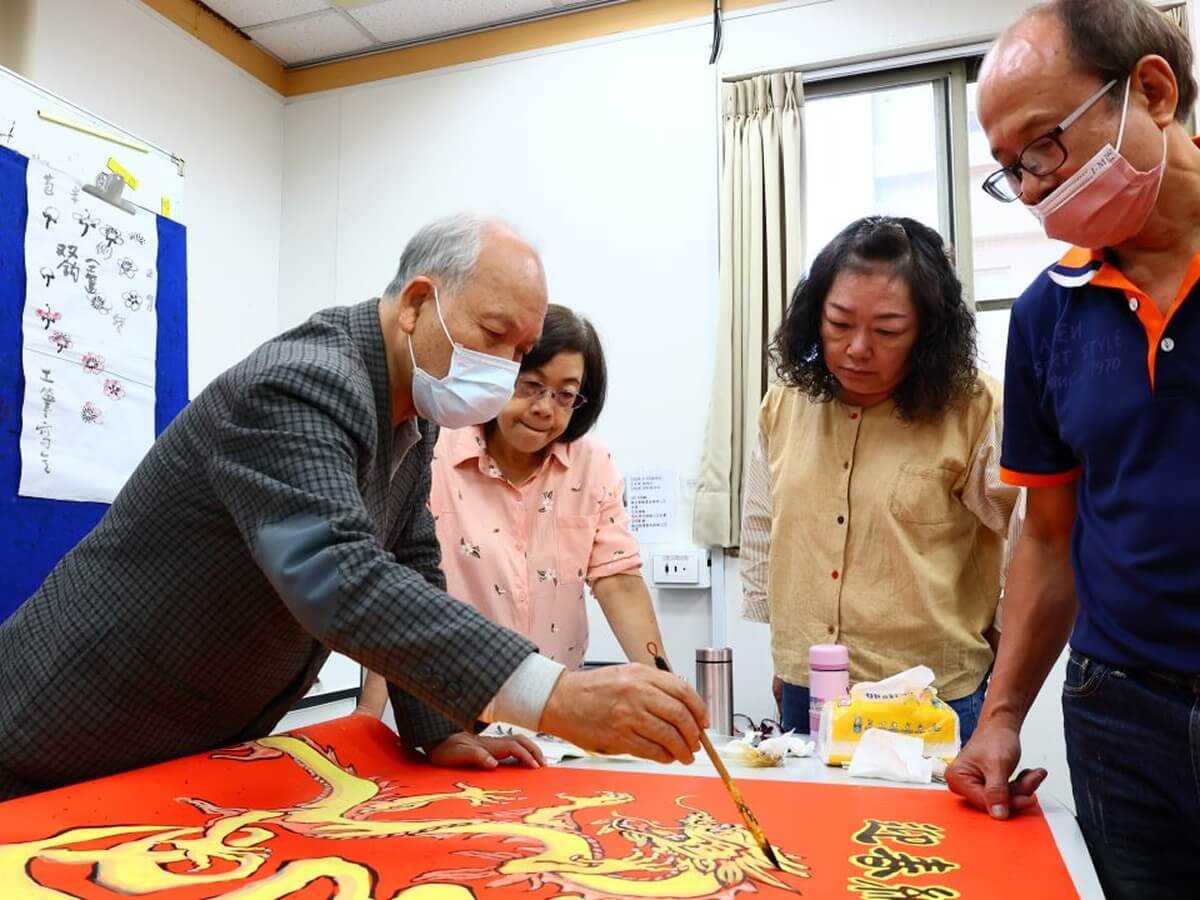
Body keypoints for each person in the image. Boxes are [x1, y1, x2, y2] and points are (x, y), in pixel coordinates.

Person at [0, 214, 707, 801]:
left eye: (518, 350)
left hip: (190, 741)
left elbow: (412, 559)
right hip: (66, 727)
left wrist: (438, 728)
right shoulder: (301, 383)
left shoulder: (414, 410)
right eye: (495, 337)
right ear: (418, 303)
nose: (503, 371)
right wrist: (552, 695)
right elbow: (336, 574)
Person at [945, 2, 1200, 895]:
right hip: (1119, 712)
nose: (1029, 189)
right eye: (1009, 168)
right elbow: (1050, 536)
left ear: (1153, 93)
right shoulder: (1047, 312)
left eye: (1043, 147)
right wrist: (1000, 715)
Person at [740, 215, 1019, 742]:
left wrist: (1006, 648)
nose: (858, 348)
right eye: (839, 324)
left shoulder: (976, 408)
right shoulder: (785, 403)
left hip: (930, 693)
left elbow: (1035, 540)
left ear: (928, 332)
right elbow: (763, 523)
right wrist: (787, 653)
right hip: (808, 686)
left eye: (888, 331)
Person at [358, 305, 665, 720]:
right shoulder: (436, 452)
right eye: (531, 385)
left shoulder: (592, 463)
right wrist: (368, 717)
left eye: (565, 395)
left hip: (554, 713)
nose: (544, 408)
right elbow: (401, 589)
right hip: (446, 710)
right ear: (500, 374)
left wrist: (662, 688)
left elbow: (619, 581)